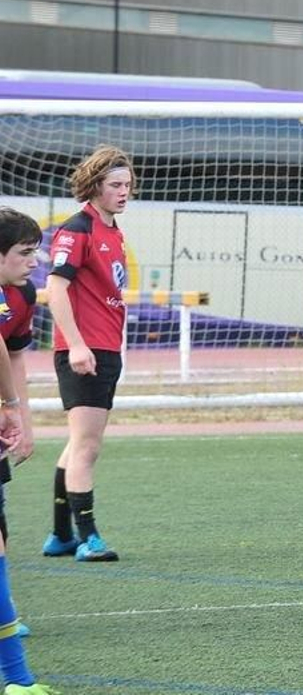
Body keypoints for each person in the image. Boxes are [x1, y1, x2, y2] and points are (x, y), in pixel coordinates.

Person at [42, 145, 134, 564]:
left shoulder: (112, 231)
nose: (124, 192)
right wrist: (76, 344)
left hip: (104, 347)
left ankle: (61, 535)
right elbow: (57, 288)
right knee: (87, 448)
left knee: (78, 443)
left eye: (129, 185)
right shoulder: (77, 229)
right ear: (95, 186)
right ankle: (88, 537)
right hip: (86, 348)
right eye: (116, 185)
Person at [0, 209, 51, 695]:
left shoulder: (20, 295)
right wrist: (10, 408)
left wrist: (20, 420)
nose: (34, 261)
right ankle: (16, 678)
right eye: (24, 252)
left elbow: (10, 353)